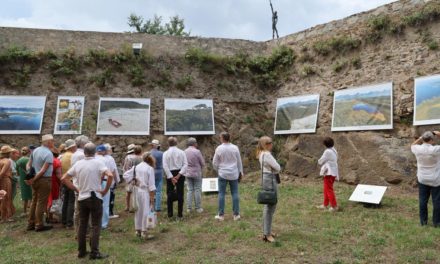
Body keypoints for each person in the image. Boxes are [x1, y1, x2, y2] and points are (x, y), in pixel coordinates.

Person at [61, 143, 113, 260]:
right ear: (95, 152)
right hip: (94, 196)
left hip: (82, 197)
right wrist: (105, 190)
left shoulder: (78, 164)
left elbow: (64, 178)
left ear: (84, 152)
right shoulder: (98, 162)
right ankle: (94, 252)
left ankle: (81, 251)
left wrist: (76, 189)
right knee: (95, 225)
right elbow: (110, 175)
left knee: (82, 224)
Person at [123, 152, 156, 238]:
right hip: (145, 192)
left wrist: (133, 181)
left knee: (138, 211)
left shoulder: (136, 167)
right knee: (145, 211)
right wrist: (152, 198)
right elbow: (152, 185)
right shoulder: (149, 169)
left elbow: (125, 175)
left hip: (136, 191)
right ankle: (144, 232)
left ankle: (138, 230)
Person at [411, 131, 440, 227]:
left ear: (423, 139)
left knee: (423, 201)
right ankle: (437, 222)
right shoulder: (436, 149)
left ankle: (423, 222)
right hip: (436, 179)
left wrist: (420, 138)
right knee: (437, 201)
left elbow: (412, 144)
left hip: (422, 178)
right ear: (432, 140)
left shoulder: (417, 149)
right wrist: (439, 134)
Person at [212, 132, 244, 221]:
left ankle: (221, 215)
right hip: (233, 173)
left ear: (222, 138)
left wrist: (218, 169)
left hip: (222, 173)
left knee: (221, 193)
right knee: (235, 193)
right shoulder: (235, 148)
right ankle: (236, 215)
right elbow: (239, 161)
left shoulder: (219, 148)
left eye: (220, 137)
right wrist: (240, 172)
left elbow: (214, 162)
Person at [26, 134, 54, 231]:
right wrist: (33, 179)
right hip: (44, 180)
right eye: (52, 141)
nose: (53, 143)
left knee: (34, 201)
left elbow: (28, 165)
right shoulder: (48, 153)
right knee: (41, 202)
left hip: (35, 179)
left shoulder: (35, 150)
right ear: (48, 142)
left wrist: (30, 176)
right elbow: (43, 171)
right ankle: (39, 224)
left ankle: (31, 223)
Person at [256, 136, 281, 243]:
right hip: (270, 179)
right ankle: (267, 234)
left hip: (266, 179)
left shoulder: (261, 153)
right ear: (266, 144)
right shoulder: (267, 154)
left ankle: (268, 231)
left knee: (269, 206)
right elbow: (278, 167)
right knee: (270, 206)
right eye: (270, 142)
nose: (272, 144)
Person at [163, 137, 188, 219]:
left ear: (168, 143)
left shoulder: (165, 153)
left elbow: (165, 166)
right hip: (179, 173)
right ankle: (180, 215)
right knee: (180, 194)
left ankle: (170, 214)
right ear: (176, 143)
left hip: (170, 173)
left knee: (169, 193)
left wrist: (171, 177)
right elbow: (185, 164)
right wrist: (179, 175)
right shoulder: (182, 152)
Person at [71, 135, 90, 234]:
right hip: (83, 185)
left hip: (77, 184)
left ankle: (77, 230)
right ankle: (83, 231)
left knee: (77, 209)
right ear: (83, 144)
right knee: (83, 209)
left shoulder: (74, 154)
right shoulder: (82, 155)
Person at [316, 137, 339, 212]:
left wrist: (318, 161)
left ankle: (334, 206)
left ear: (325, 145)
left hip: (329, 172)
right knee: (326, 189)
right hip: (333, 171)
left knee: (328, 189)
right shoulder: (334, 150)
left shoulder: (327, 151)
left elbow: (321, 161)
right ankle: (325, 204)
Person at [184, 137, 205, 213]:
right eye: (196, 143)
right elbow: (202, 163)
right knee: (197, 189)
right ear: (194, 143)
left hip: (188, 173)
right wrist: (200, 168)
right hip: (196, 173)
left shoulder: (184, 151)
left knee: (189, 190)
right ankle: (198, 208)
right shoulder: (197, 152)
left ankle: (189, 208)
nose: (197, 144)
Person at [61, 139, 76, 228]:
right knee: (71, 201)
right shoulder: (72, 156)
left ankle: (64, 220)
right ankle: (69, 222)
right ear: (73, 147)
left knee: (66, 201)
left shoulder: (63, 156)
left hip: (64, 180)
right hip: (70, 180)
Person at [123, 144, 142, 212]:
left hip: (130, 177)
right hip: (138, 177)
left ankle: (128, 206)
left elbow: (126, 168)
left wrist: (127, 177)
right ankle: (136, 206)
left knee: (128, 192)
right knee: (137, 192)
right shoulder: (141, 157)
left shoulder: (128, 158)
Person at [104, 143, 120, 219]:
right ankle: (110, 213)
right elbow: (113, 170)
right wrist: (117, 180)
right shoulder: (110, 158)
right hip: (110, 180)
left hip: (102, 180)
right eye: (111, 148)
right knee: (111, 197)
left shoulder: (100, 157)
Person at [0, 145, 15, 222]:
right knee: (6, 198)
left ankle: (3, 216)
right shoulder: (7, 161)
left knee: (1, 198)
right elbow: (2, 173)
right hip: (5, 180)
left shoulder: (0, 160)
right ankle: (5, 217)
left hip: (2, 180)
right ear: (8, 153)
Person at [46, 149, 62, 224]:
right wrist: (61, 182)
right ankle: (50, 217)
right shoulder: (56, 161)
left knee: (47, 198)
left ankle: (47, 215)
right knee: (52, 199)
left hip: (45, 179)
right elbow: (58, 174)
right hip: (54, 181)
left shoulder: (46, 160)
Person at [16, 147, 32, 216]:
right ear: (28, 152)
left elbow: (17, 173)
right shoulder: (29, 160)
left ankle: (24, 211)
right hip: (30, 178)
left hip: (22, 179)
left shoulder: (18, 161)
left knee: (24, 195)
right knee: (31, 194)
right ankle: (31, 210)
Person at [150, 139, 163, 213]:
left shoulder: (149, 153)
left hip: (151, 172)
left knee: (151, 190)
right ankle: (158, 207)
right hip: (159, 172)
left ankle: (151, 206)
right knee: (158, 191)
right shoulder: (161, 153)